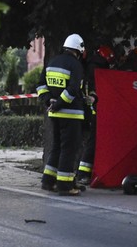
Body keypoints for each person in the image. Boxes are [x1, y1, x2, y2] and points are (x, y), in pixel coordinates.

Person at [37, 33, 86, 196]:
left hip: (55, 115)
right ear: (78, 49)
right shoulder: (76, 65)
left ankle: (48, 181)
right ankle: (65, 186)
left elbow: (41, 85)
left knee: (57, 147)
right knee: (69, 149)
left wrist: (48, 101)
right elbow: (73, 90)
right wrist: (59, 104)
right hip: (71, 115)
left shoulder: (52, 61)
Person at [77, 44, 117, 185]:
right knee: (92, 142)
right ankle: (83, 173)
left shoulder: (90, 66)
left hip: (89, 109)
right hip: (94, 110)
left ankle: (83, 172)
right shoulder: (98, 69)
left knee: (90, 141)